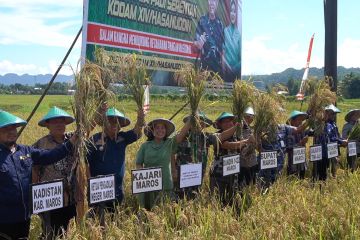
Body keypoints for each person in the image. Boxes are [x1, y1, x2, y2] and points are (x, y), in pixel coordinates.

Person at [0, 110, 75, 240]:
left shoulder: (26, 151)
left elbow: (51, 156)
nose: (11, 132)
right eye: (5, 129)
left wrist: (71, 142)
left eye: (13, 128)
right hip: (4, 218)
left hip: (24, 216)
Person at [87, 107, 145, 215]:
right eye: (110, 122)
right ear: (104, 123)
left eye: (117, 122)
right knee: (97, 220)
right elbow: (85, 163)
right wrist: (89, 182)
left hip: (117, 190)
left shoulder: (122, 138)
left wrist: (140, 119)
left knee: (114, 218)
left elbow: (136, 132)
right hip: (98, 190)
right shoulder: (94, 140)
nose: (114, 125)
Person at [32, 107, 77, 239]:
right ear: (47, 125)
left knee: (66, 230)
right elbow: (34, 169)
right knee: (50, 231)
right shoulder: (40, 144)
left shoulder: (72, 138)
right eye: (55, 122)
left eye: (62, 122)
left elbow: (87, 127)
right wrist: (35, 194)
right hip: (50, 198)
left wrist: (100, 111)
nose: (59, 125)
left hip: (70, 196)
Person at [174, 112, 239, 200]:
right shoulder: (182, 136)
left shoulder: (206, 137)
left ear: (205, 125)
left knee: (194, 196)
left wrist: (236, 127)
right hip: (182, 175)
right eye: (196, 121)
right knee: (180, 197)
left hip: (197, 175)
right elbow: (176, 143)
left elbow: (221, 136)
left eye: (202, 122)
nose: (199, 124)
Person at [136, 118, 190, 210]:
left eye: (162, 128)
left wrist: (192, 117)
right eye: (157, 128)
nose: (160, 130)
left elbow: (181, 135)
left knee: (164, 211)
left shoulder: (169, 143)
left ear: (166, 131)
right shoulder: (145, 146)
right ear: (152, 131)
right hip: (149, 184)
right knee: (147, 212)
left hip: (165, 184)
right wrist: (144, 177)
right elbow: (139, 163)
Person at [210, 112, 252, 206]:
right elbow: (228, 145)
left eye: (230, 121)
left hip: (233, 173)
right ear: (220, 124)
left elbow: (242, 150)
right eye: (225, 122)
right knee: (218, 200)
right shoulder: (217, 135)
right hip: (219, 174)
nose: (228, 123)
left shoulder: (236, 136)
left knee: (231, 200)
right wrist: (246, 141)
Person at [257, 117, 307, 189]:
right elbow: (256, 142)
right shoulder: (262, 128)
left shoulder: (283, 127)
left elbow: (298, 129)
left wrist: (310, 120)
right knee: (264, 183)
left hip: (279, 165)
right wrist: (263, 152)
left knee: (275, 183)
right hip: (267, 163)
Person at [315, 104, 348, 180]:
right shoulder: (323, 125)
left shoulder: (333, 124)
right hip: (324, 153)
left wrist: (342, 141)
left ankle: (330, 187)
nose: (333, 115)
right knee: (324, 173)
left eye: (334, 113)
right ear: (325, 113)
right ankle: (322, 188)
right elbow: (330, 138)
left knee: (333, 172)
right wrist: (341, 142)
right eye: (332, 113)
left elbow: (336, 136)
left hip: (332, 151)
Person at [193, 0, 224, 74]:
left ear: (217, 3)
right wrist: (199, 43)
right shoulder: (202, 20)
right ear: (207, 2)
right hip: (204, 69)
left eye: (214, 1)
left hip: (217, 72)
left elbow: (223, 50)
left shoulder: (220, 24)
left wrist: (223, 70)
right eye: (210, 0)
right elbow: (194, 44)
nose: (212, 3)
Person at [286, 110, 309, 179]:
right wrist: (301, 143)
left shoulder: (302, 131)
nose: (300, 122)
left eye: (301, 120)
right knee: (292, 181)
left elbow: (312, 131)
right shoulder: (288, 133)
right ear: (292, 121)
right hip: (293, 164)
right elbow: (288, 148)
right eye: (298, 120)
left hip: (302, 162)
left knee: (302, 179)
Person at [222, 0, 241, 82]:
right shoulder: (225, 31)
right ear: (229, 14)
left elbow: (241, 58)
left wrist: (234, 69)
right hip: (226, 73)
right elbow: (222, 53)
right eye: (231, 11)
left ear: (236, 14)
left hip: (237, 74)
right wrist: (227, 68)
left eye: (234, 11)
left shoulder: (239, 34)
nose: (233, 14)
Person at [239, 107, 258, 187]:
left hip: (252, 162)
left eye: (251, 117)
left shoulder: (252, 130)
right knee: (242, 186)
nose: (250, 119)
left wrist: (257, 141)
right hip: (241, 163)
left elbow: (257, 147)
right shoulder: (237, 130)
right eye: (247, 117)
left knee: (252, 184)